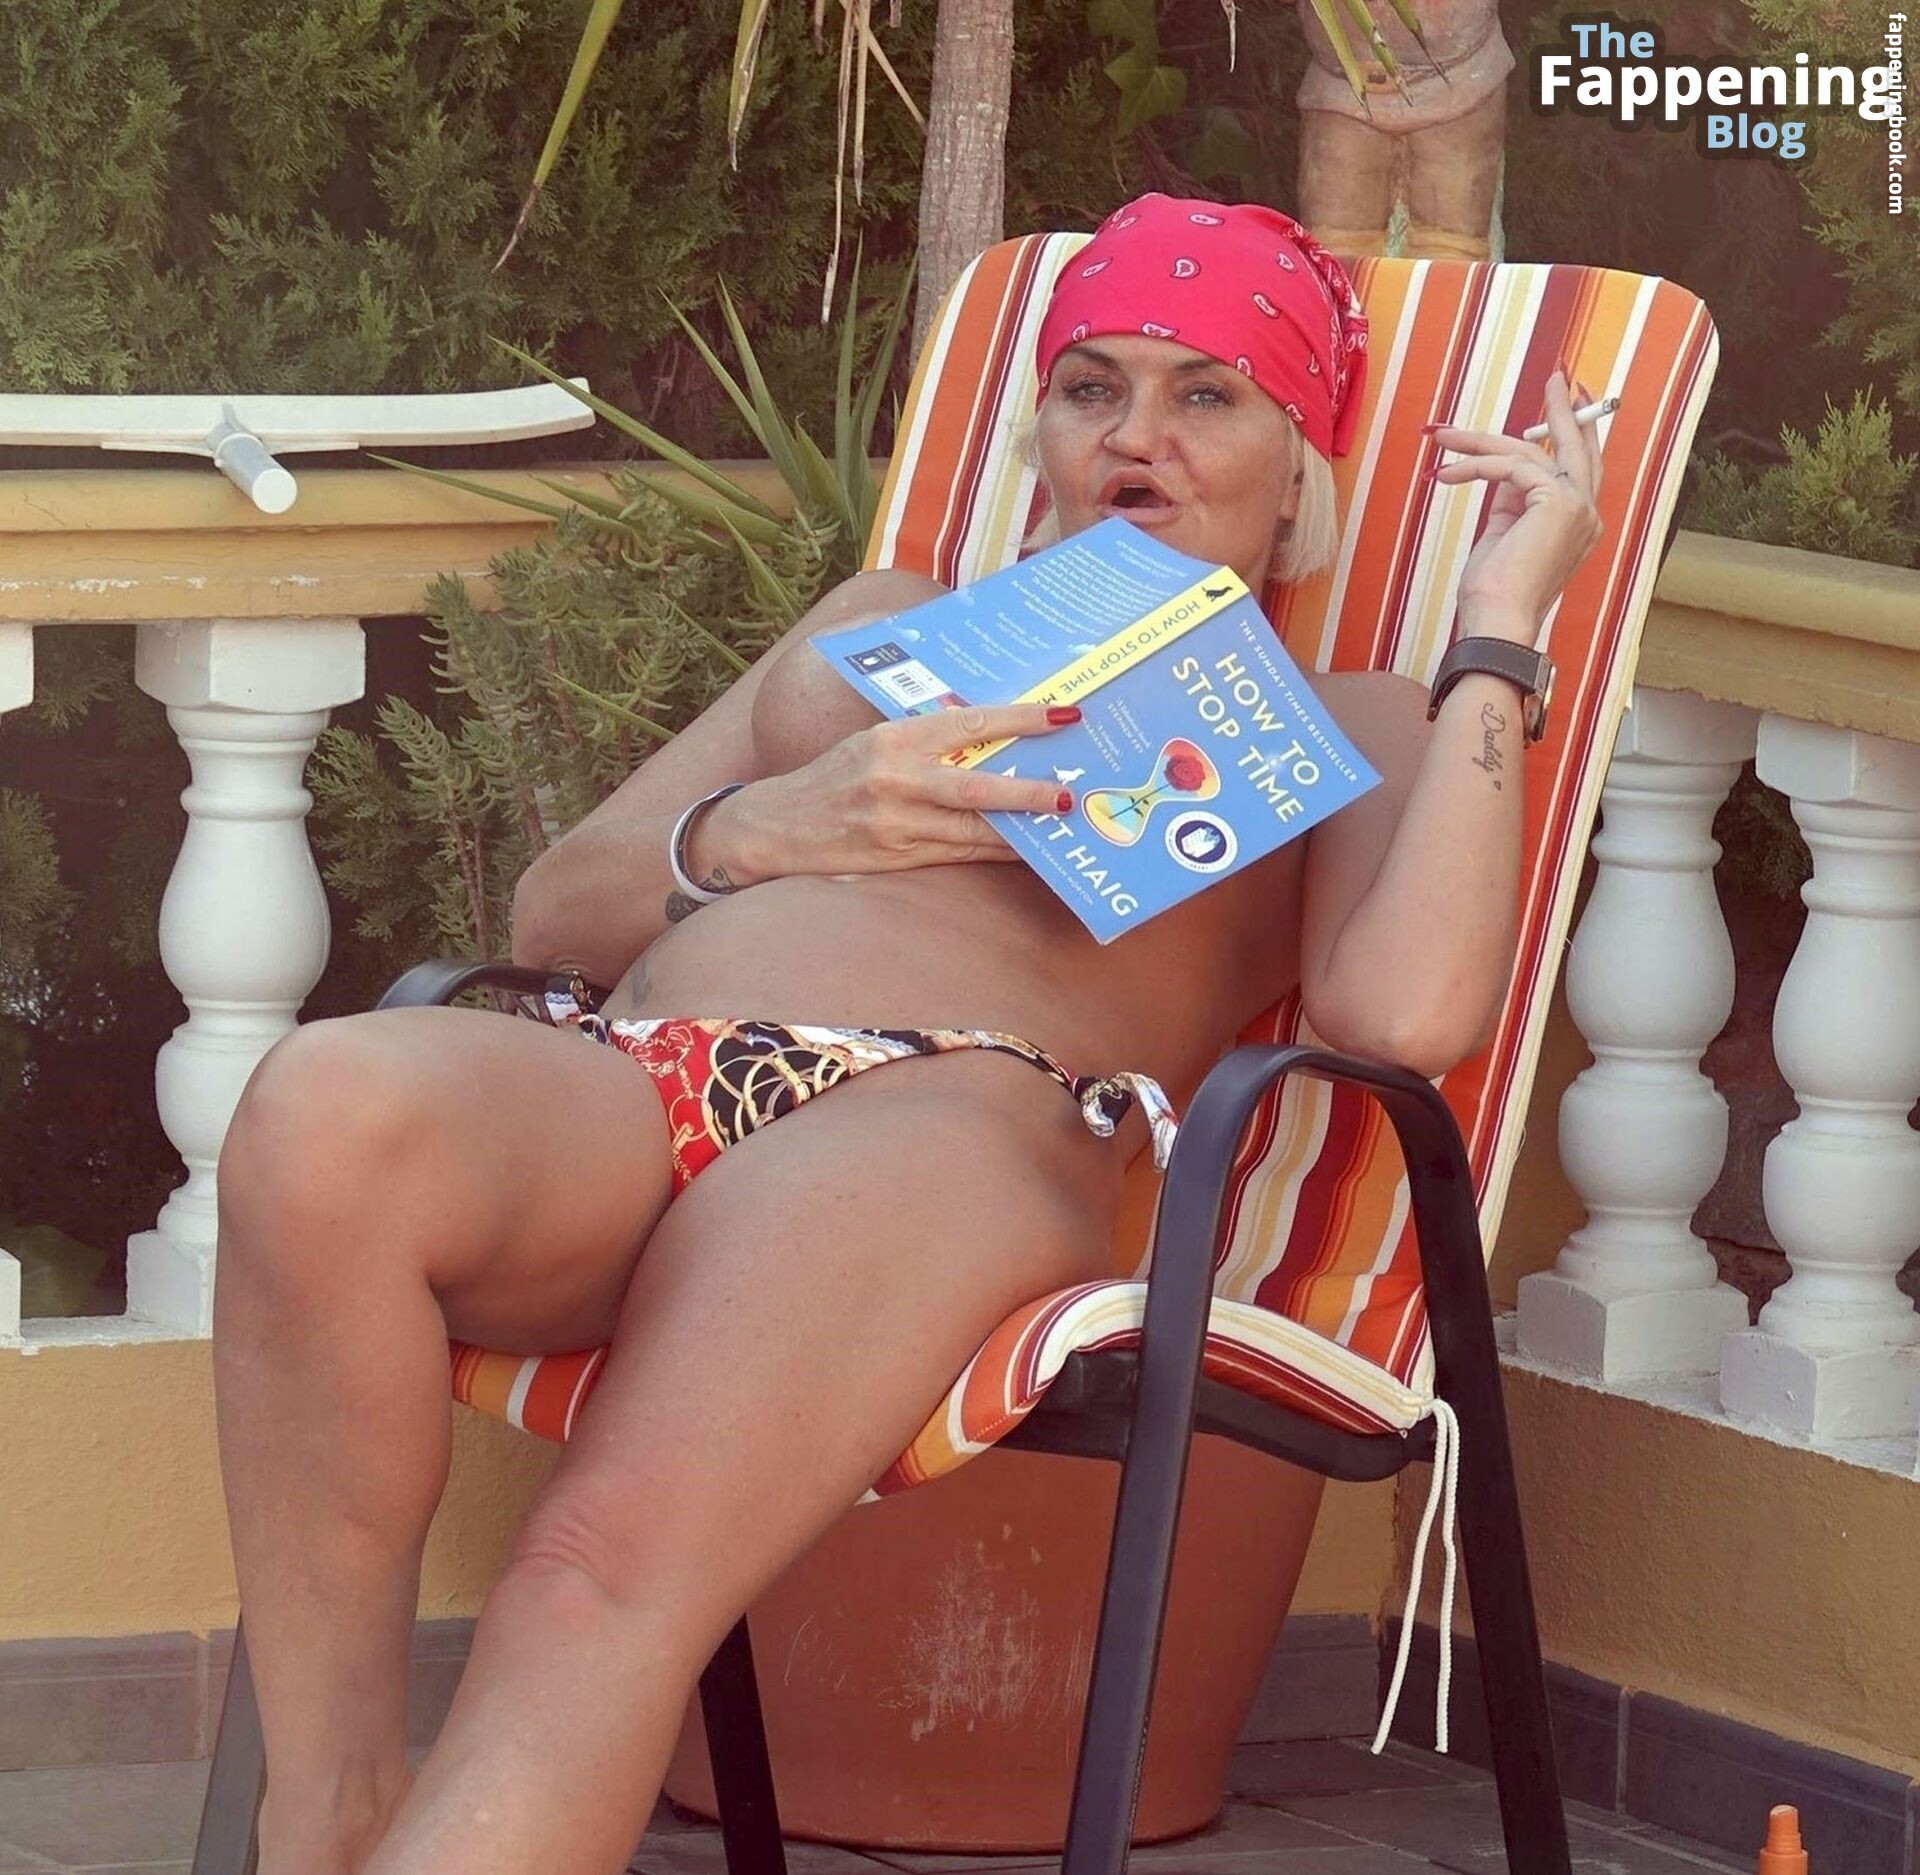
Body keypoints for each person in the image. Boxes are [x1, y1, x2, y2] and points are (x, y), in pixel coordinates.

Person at [211, 192, 1603, 1875]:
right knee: (323, 1101)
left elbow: (1409, 1014)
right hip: (637, 1083)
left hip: (936, 1124)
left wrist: (1500, 632)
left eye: (1207, 395)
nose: (1138, 437)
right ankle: (329, 1810)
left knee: (590, 1578)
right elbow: (556, 910)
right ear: (1045, 435)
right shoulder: (883, 622)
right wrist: (759, 829)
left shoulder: (1351, 722)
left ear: (1299, 471)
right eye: (1092, 388)